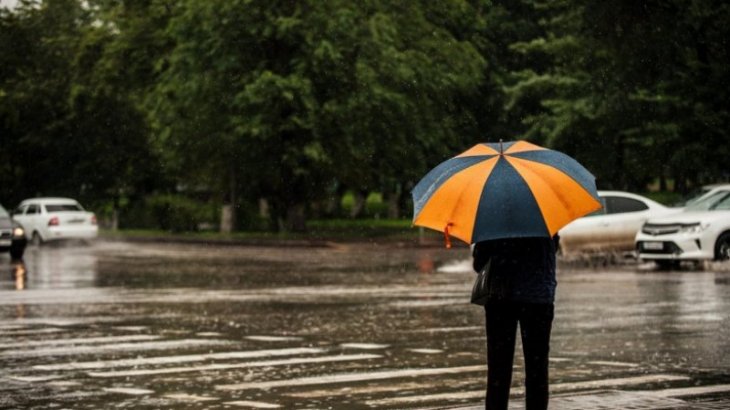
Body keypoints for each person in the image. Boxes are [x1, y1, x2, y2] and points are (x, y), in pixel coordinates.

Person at [472, 235, 560, 410]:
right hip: (538, 298)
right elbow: (553, 248)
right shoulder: (543, 218)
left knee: (498, 368)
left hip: (501, 298)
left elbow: (479, 263)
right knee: (538, 369)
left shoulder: (492, 222)